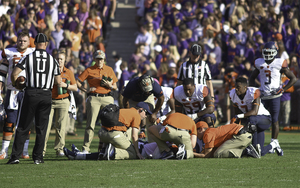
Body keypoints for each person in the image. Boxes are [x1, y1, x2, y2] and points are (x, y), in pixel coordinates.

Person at [7, 33, 62, 164]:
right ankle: (38, 157)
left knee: (23, 126)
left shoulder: (28, 57)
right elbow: (58, 81)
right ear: (46, 44)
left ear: (35, 44)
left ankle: (15, 157)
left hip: (31, 93)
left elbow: (15, 73)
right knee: (41, 128)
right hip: (46, 95)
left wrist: (17, 85)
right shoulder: (53, 60)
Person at [249, 41, 296, 154]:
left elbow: (293, 78)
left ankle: (274, 141)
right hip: (263, 96)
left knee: (275, 120)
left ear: (275, 52)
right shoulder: (259, 62)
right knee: (259, 118)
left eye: (270, 52)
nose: (268, 55)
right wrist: (254, 90)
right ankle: (258, 143)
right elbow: (252, 78)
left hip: (275, 96)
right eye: (266, 52)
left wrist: (283, 89)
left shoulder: (280, 62)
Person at [63, 102, 152, 160]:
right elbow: (134, 136)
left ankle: (77, 155)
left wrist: (101, 144)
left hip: (102, 133)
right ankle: (112, 152)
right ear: (140, 110)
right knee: (133, 154)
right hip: (114, 135)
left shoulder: (124, 110)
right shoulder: (136, 115)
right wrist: (137, 152)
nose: (146, 116)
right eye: (146, 113)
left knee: (102, 155)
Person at [0, 30, 35, 160]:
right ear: (17, 40)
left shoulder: (33, 52)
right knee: (9, 122)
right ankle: (4, 151)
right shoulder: (9, 52)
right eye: (20, 40)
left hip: (28, 91)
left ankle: (24, 150)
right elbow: (2, 72)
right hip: (12, 91)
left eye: (25, 41)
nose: (22, 43)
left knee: (26, 122)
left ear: (29, 41)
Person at [76, 50, 118, 153]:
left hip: (107, 97)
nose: (100, 61)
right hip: (94, 97)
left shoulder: (109, 69)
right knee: (90, 124)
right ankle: (86, 148)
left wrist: (109, 85)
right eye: (98, 59)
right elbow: (77, 82)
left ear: (104, 59)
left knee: (110, 123)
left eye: (101, 59)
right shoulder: (89, 70)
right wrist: (86, 90)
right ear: (94, 59)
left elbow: (115, 87)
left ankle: (110, 147)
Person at [229, 77, 282, 156]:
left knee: (251, 118)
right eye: (235, 86)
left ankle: (250, 147)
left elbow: (254, 112)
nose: (236, 89)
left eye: (238, 87)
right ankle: (273, 145)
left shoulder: (253, 92)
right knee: (258, 153)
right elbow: (237, 115)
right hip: (253, 123)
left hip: (264, 119)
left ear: (245, 87)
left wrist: (238, 116)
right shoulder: (233, 94)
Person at [43, 50, 78, 157]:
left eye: (61, 59)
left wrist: (65, 86)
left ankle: (59, 149)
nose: (59, 61)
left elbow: (75, 87)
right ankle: (41, 150)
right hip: (50, 100)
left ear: (65, 61)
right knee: (46, 126)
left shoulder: (68, 72)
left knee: (61, 127)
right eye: (57, 59)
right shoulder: (49, 70)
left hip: (63, 101)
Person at [122, 74, 164, 141]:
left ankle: (153, 144)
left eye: (149, 90)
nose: (147, 91)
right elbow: (125, 99)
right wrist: (128, 112)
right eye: (145, 89)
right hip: (133, 100)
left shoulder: (154, 85)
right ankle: (126, 142)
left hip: (148, 98)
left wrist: (155, 113)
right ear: (139, 85)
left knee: (152, 120)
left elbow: (161, 98)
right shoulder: (132, 84)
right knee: (129, 121)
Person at [194, 121, 259, 158]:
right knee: (218, 152)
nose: (195, 134)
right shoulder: (211, 131)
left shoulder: (207, 134)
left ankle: (246, 151)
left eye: (195, 131)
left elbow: (207, 155)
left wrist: (192, 153)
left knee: (218, 154)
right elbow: (211, 153)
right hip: (245, 135)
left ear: (200, 129)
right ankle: (253, 149)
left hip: (241, 136)